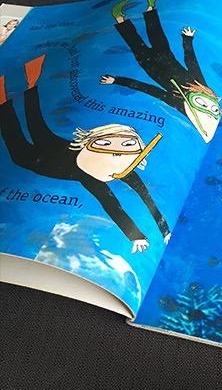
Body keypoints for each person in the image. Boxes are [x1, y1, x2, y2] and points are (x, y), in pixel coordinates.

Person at [0, 54, 170, 253]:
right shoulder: (96, 171)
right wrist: (138, 235)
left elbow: (127, 201)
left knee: (35, 135)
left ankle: (15, 93)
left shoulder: (114, 172)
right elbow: (114, 203)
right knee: (32, 140)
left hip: (62, 154)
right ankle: (21, 89)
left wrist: (153, 233)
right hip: (59, 157)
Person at [100, 0, 222, 143]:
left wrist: (117, 80)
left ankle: (119, 18)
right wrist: (187, 40)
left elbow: (150, 89)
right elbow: (192, 63)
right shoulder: (201, 85)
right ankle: (150, 6)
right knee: (156, 35)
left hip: (150, 65)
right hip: (166, 57)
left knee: (135, 42)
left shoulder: (178, 102)